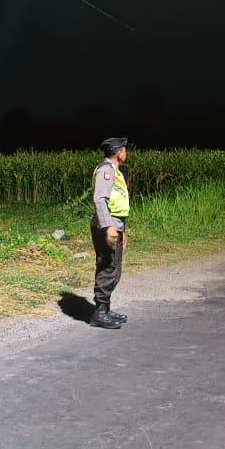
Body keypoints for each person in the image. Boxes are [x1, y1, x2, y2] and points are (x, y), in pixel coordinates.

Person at [89, 136, 130, 329]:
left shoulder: (115, 171)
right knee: (107, 268)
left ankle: (105, 309)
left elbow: (118, 205)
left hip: (115, 225)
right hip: (107, 227)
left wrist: (122, 230)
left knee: (114, 270)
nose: (126, 153)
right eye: (124, 149)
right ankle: (99, 313)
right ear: (119, 152)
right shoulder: (106, 171)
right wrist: (109, 227)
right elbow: (100, 200)